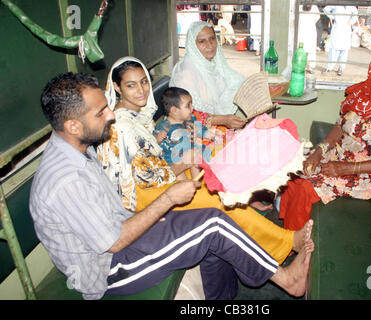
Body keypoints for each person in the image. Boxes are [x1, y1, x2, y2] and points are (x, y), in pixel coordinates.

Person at [30, 71, 315, 300]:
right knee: (212, 224)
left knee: (211, 225)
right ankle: (287, 281)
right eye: (100, 112)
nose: (111, 115)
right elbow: (114, 241)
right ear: (73, 126)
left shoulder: (79, 148)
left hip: (119, 239)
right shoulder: (66, 179)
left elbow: (115, 210)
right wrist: (166, 200)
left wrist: (159, 211)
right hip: (107, 269)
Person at [97, 56, 313, 265]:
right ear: (117, 88)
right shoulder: (121, 126)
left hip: (162, 181)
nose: (142, 90)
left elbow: (154, 161)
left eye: (144, 81)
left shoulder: (139, 116)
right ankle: (287, 242)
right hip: (147, 197)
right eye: (131, 86)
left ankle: (280, 239)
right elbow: (139, 179)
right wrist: (184, 165)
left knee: (220, 188)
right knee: (219, 202)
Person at [280, 39, 371, 230]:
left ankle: (296, 246)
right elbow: (340, 126)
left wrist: (345, 168)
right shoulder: (365, 92)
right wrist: (319, 151)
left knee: (305, 187)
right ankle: (289, 232)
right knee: (294, 170)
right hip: (342, 157)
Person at [170, 21, 247, 129]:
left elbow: (233, 80)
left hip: (211, 127)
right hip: (189, 132)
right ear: (193, 44)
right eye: (202, 41)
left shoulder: (212, 63)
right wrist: (223, 120)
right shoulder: (185, 73)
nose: (210, 45)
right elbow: (186, 115)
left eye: (212, 38)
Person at [154, 86, 214, 180]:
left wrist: (209, 135)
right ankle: (187, 186)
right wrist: (157, 138)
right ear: (174, 110)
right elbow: (152, 145)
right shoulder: (163, 127)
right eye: (188, 106)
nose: (192, 108)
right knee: (179, 176)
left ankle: (197, 182)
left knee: (198, 161)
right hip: (173, 160)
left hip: (191, 152)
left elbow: (201, 129)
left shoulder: (190, 119)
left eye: (191, 104)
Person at [323, 5, 358, 76]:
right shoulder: (336, 4)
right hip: (337, 28)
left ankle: (340, 68)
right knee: (333, 49)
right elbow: (326, 9)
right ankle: (329, 67)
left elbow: (355, 14)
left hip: (346, 29)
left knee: (344, 50)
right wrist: (333, 16)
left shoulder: (351, 7)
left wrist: (351, 21)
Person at [297, 4, 320, 72]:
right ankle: (301, 66)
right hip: (301, 30)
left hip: (310, 31)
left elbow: (316, 18)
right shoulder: (300, 7)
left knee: (311, 50)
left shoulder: (314, 7)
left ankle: (309, 67)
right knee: (301, 50)